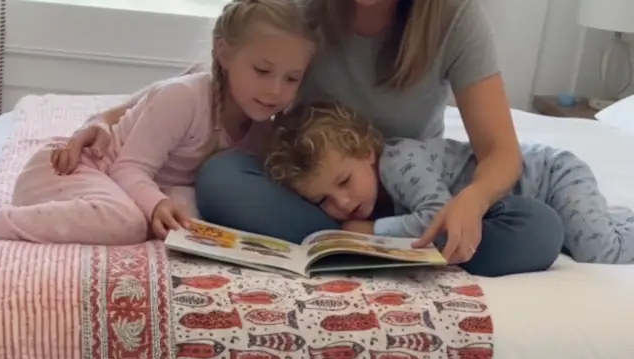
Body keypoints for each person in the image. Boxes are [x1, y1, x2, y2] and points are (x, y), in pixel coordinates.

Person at [194, 0, 564, 276]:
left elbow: (500, 152)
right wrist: (113, 123)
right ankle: (369, 247)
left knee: (538, 228)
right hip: (317, 192)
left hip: (416, 200)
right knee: (221, 178)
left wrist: (471, 200)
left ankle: (353, 242)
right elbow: (219, 80)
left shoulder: (455, 16)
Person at [0, 0, 318, 279]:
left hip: (129, 181)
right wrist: (152, 204)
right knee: (128, 223)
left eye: (292, 78)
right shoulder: (186, 98)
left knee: (196, 220)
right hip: (73, 171)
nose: (275, 90)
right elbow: (130, 167)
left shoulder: (263, 125)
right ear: (225, 53)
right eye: (263, 71)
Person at [266, 100, 633, 268]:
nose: (342, 203)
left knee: (600, 252)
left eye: (344, 181)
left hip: (551, 176)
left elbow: (439, 217)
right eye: (324, 200)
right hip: (528, 204)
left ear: (366, 151)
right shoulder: (368, 187)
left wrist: (370, 230)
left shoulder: (397, 163)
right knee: (581, 235)